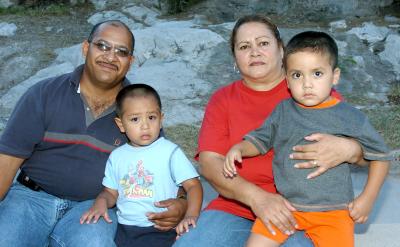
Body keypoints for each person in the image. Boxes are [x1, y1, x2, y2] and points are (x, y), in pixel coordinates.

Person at [173, 15, 367, 247]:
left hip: (302, 212)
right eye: (244, 46)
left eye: (263, 43)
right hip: (236, 208)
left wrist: (349, 149)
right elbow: (210, 163)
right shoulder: (223, 100)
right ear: (235, 58)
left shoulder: (312, 91)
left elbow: (368, 153)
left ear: (281, 49)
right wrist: (258, 199)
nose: (254, 52)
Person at [0, 20, 188, 247]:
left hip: (94, 206)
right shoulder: (43, 94)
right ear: (86, 48)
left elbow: (164, 166)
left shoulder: (138, 111)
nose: (110, 57)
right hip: (31, 198)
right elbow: (6, 164)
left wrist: (181, 203)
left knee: (95, 243)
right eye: (103, 46)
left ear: (131, 61)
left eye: (121, 52)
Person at [223, 31, 391, 247]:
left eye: (317, 74)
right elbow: (261, 140)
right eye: (297, 75)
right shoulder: (283, 110)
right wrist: (240, 148)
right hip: (286, 207)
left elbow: (381, 157)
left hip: (333, 214)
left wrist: (367, 198)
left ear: (335, 75)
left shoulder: (349, 115)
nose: (307, 84)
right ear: (287, 79)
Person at [80, 83, 203, 247]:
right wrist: (101, 202)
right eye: (135, 119)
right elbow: (110, 192)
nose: (145, 126)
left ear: (161, 119)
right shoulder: (117, 156)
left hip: (161, 229)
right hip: (124, 230)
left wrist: (191, 215)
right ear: (121, 124)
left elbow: (193, 186)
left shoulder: (169, 152)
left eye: (151, 117)